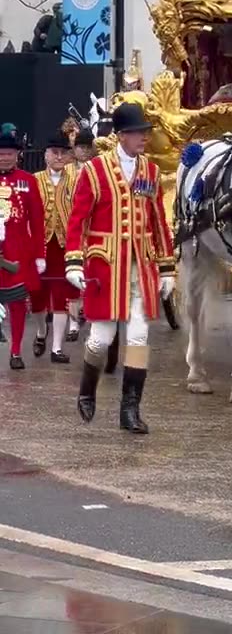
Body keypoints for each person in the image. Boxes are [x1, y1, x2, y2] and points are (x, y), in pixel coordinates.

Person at [65, 103, 175, 435]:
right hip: (106, 267)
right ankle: (87, 389)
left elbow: (159, 222)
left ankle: (130, 409)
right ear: (122, 136)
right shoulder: (95, 170)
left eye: (145, 132)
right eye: (139, 133)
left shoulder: (151, 172)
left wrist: (168, 268)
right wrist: (73, 260)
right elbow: (78, 220)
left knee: (139, 336)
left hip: (141, 267)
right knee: (102, 338)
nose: (144, 138)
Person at [30, 132, 78, 363]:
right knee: (37, 296)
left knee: (61, 295)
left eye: (63, 153)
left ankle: (56, 348)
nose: (59, 157)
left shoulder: (76, 180)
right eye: (54, 153)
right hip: (38, 245)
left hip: (64, 244)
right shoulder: (33, 180)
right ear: (46, 155)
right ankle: (41, 332)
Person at [0, 127, 45, 369]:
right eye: (0, 153)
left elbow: (37, 222)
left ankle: (16, 350)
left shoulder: (28, 181)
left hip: (17, 253)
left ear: (17, 155)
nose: (4, 157)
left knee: (17, 305)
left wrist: (40, 255)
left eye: (9, 153)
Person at [63, 127, 97, 342]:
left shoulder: (98, 169)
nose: (84, 151)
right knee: (72, 280)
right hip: (71, 227)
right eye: (80, 147)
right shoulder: (66, 171)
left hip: (93, 231)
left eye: (87, 147)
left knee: (92, 277)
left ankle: (91, 316)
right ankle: (73, 323)